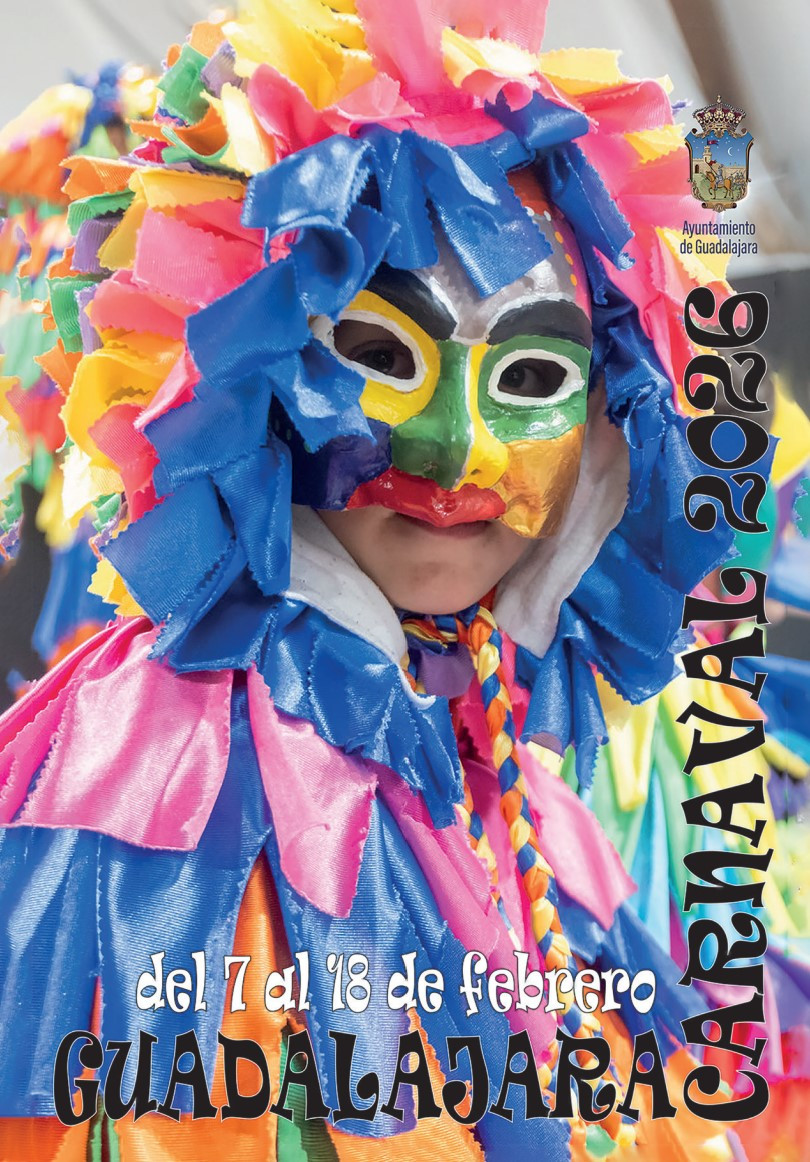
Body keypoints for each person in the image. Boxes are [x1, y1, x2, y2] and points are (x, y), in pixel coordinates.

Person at [0, 1, 794, 1158]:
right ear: (257, 377)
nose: (454, 450)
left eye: (529, 377)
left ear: (607, 434)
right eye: (378, 356)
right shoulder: (149, 780)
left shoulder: (495, 753)